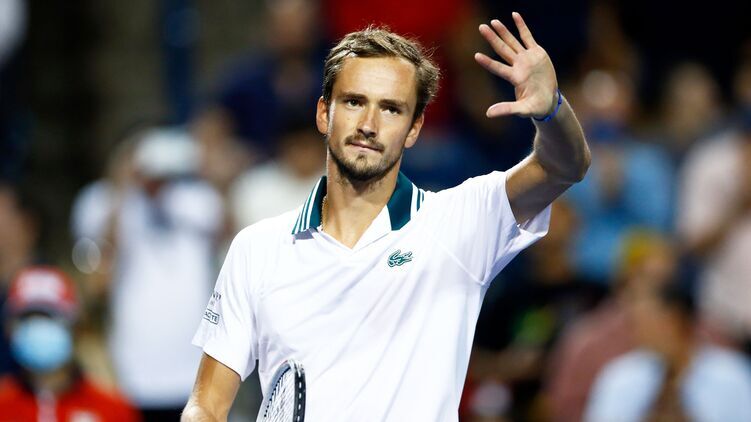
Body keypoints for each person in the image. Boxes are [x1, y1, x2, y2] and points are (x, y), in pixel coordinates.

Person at [183, 12, 590, 421]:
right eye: (354, 102)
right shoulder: (255, 249)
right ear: (324, 113)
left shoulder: (460, 221)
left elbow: (562, 167)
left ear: (414, 129)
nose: (369, 124)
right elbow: (207, 404)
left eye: (391, 109)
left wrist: (552, 110)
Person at [71, 126, 224, 420]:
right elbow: (97, 272)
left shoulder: (196, 197)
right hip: (131, 367)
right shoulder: (101, 200)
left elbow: (225, 230)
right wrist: (123, 186)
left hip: (194, 366)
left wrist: (204, 172)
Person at [584, 282, 751, 422]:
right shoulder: (621, 376)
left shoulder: (731, 375)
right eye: (638, 324)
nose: (642, 332)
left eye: (652, 322)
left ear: (679, 320)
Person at [0, 265, 140, 420]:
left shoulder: (113, 409)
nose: (39, 327)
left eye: (50, 317)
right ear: (9, 328)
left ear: (76, 327)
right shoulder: (3, 404)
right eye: (28, 318)